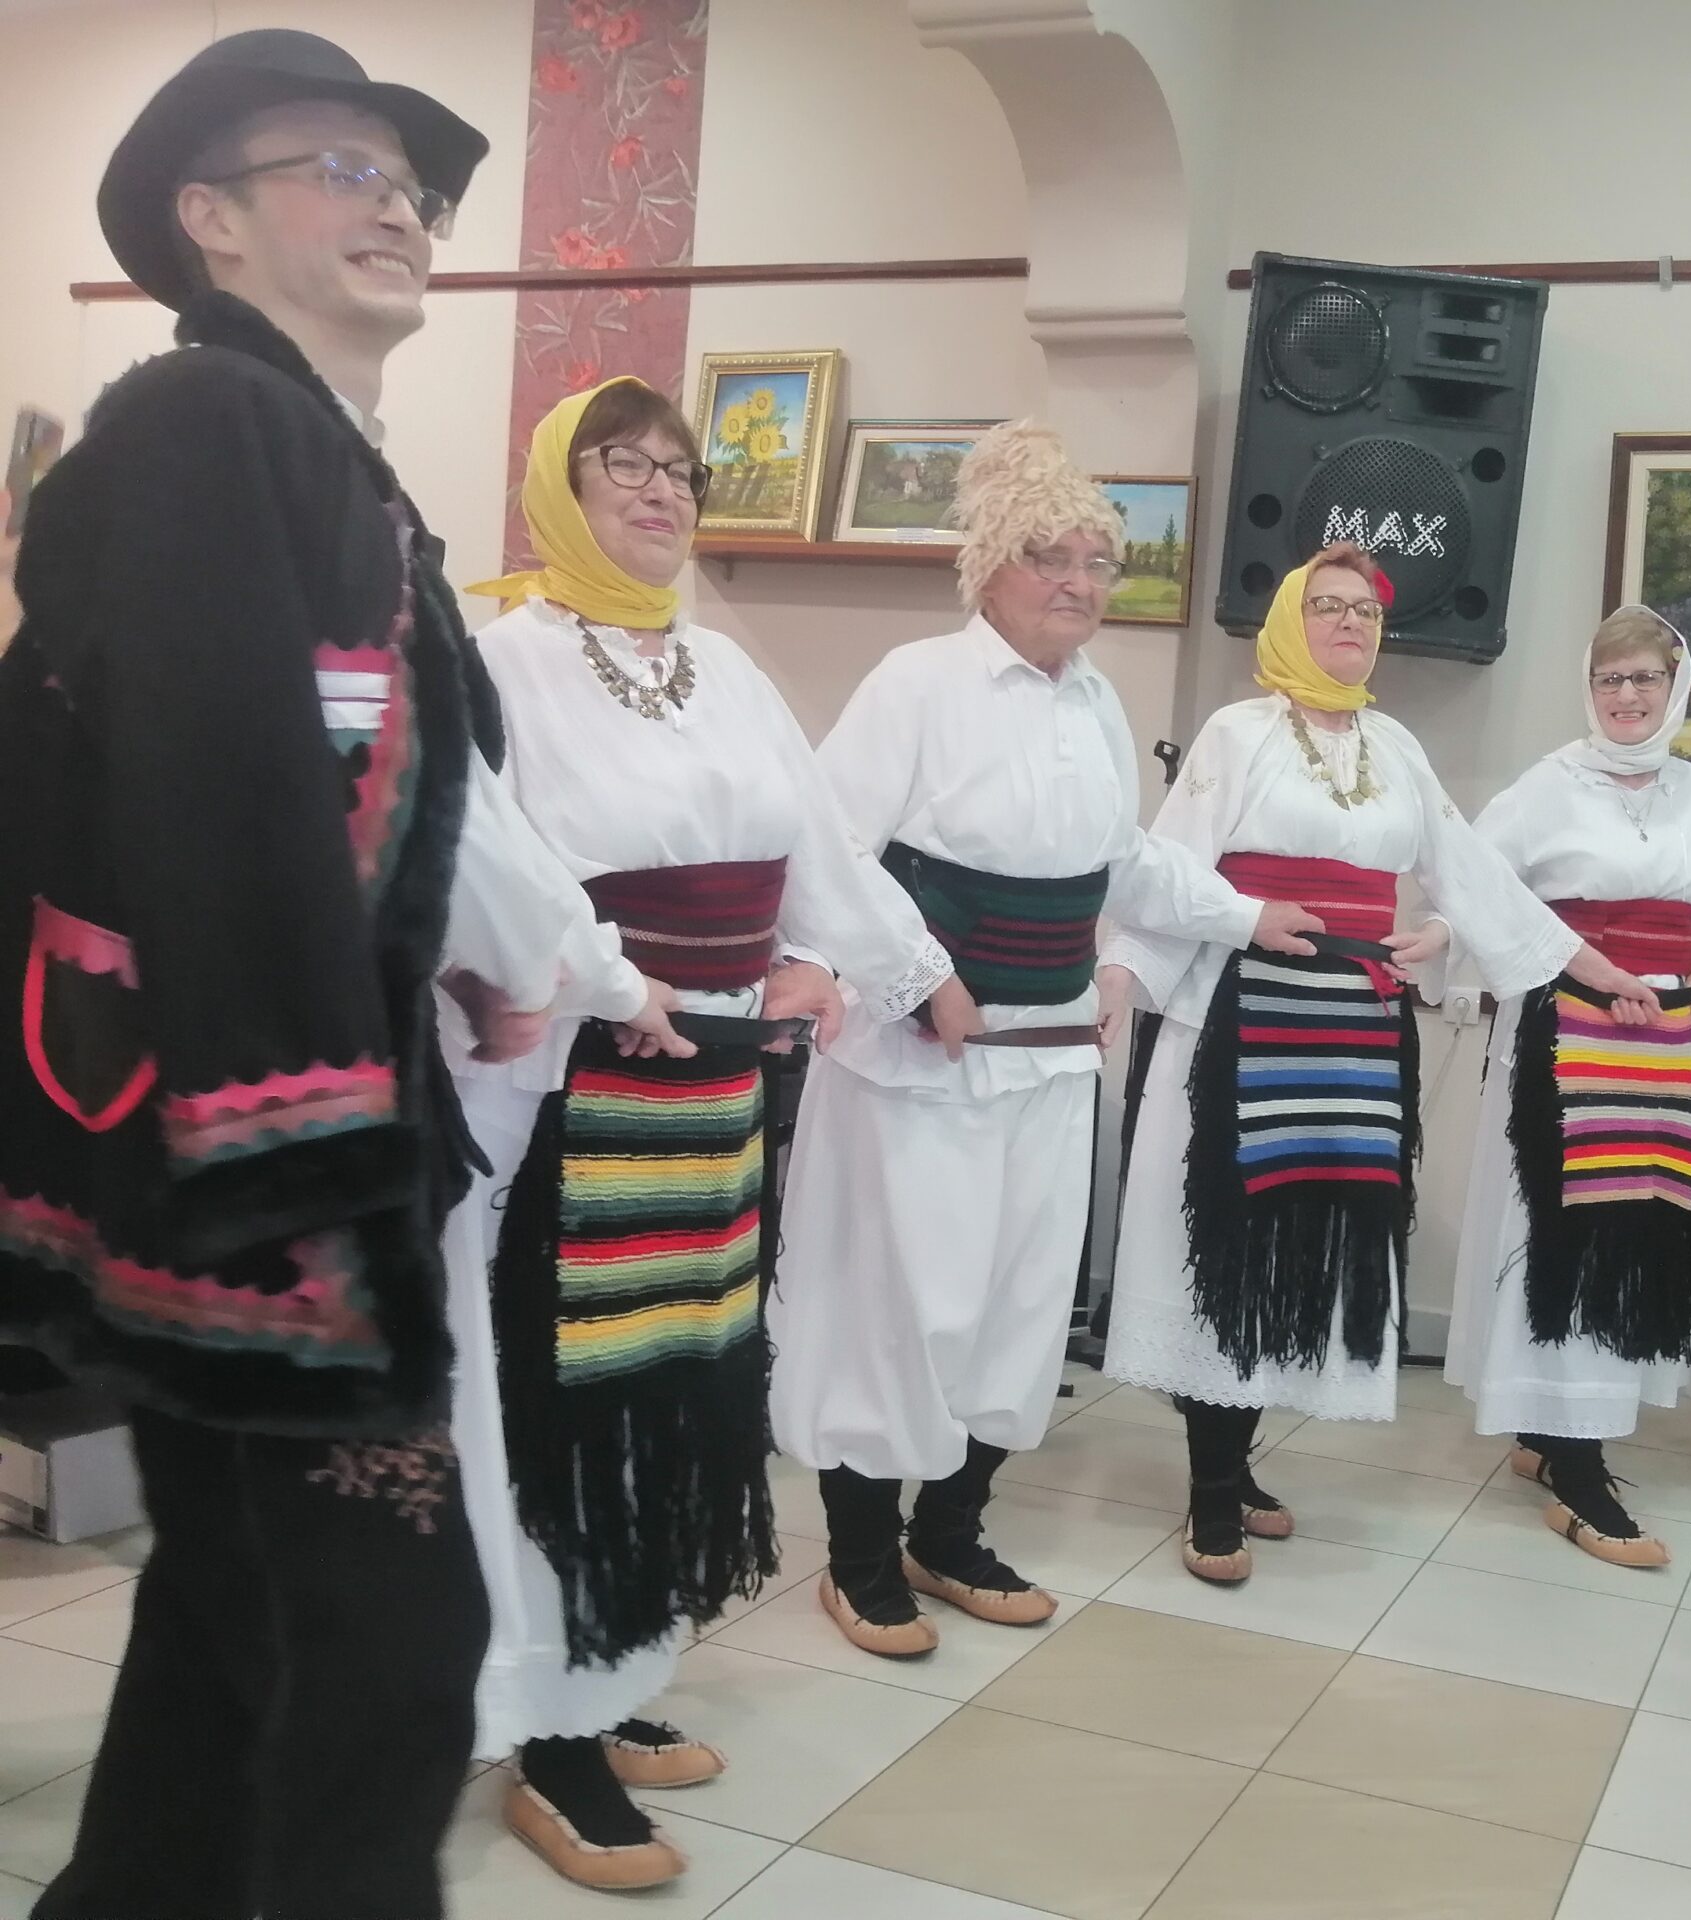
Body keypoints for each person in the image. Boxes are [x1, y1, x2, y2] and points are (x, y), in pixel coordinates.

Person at [0, 32, 536, 1919]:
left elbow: (340, 796)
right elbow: (211, 781)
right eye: (344, 170)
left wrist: (437, 974)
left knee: (236, 1628)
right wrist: (305, 1143)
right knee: (390, 1653)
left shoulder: (304, 447)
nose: (400, 208)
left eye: (412, 184)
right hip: (256, 1169)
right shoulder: (206, 423)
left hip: (260, 1128)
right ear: (209, 220)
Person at [432, 378, 958, 1884]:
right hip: (570, 1083)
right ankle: (547, 1723)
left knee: (674, 1378)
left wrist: (826, 957)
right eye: (626, 464)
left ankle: (610, 1666)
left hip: (714, 1084)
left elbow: (816, 850)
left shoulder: (720, 665)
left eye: (681, 469)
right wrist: (611, 979)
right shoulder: (500, 660)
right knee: (565, 1393)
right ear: (559, 485)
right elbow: (480, 863)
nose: (662, 490)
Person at [768, 422, 1319, 1654]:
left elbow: (1123, 861)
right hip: (920, 1065)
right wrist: (921, 975)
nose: (1077, 582)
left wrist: (1244, 913)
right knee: (906, 1306)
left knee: (1016, 1308)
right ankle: (859, 1558)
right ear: (989, 564)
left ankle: (949, 1530)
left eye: (1095, 560)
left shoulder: (1099, 702)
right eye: (1048, 556)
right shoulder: (916, 683)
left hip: (1053, 1057)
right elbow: (827, 847)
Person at [1098, 547, 1668, 1584]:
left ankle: (1238, 1461)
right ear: (1289, 619)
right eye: (1327, 605)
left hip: (1354, 1036)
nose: (1351, 623)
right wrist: (1135, 970)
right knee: (1235, 1240)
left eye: (1365, 609)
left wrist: (1587, 967)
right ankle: (1213, 1487)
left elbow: (1475, 878)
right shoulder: (1236, 733)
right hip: (1242, 1019)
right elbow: (1164, 869)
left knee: (1305, 1243)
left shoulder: (1396, 746)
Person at [1444, 607, 1691, 1566]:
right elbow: (1471, 881)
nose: (1626, 695)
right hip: (1567, 1040)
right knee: (1565, 1237)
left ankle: (1562, 1434)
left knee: (1637, 1236)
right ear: (1589, 688)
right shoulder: (1547, 786)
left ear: (1675, 687)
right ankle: (1574, 1461)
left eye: (1644, 678)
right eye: (1609, 678)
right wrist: (1544, 961)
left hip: (1662, 1048)